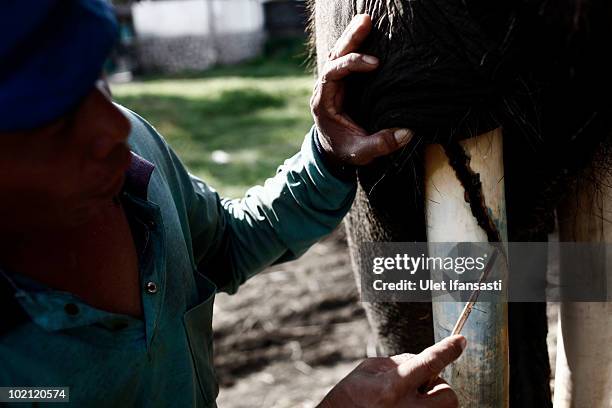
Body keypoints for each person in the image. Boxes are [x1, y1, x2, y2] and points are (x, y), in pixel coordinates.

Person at [0, 1, 465, 407]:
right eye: (56, 120)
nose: (115, 130)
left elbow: (224, 241)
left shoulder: (135, 157)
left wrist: (327, 156)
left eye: (96, 82)